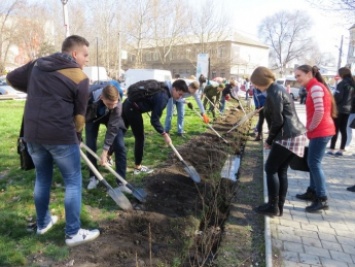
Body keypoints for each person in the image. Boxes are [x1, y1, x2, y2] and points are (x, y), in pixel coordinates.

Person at [6, 35, 100, 246]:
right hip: (61, 137)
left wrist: (38, 89)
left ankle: (43, 224)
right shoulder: (80, 77)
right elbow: (79, 118)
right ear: (74, 53)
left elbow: (11, 78)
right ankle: (73, 233)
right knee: (73, 182)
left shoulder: (38, 64)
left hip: (32, 135)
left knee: (42, 178)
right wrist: (77, 138)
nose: (86, 60)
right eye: (85, 55)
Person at [250, 66, 307, 217]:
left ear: (260, 81)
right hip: (295, 134)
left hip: (287, 135)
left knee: (270, 168)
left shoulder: (274, 92)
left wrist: (269, 140)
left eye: (255, 83)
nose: (254, 86)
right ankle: (278, 207)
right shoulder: (277, 89)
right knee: (281, 170)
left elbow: (278, 121)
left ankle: (272, 206)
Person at [122, 79, 189, 174]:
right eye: (180, 94)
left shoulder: (162, 88)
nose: (180, 97)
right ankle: (138, 167)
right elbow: (154, 120)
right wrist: (165, 134)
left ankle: (107, 155)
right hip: (133, 109)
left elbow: (150, 99)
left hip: (127, 103)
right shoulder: (164, 97)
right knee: (140, 138)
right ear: (174, 89)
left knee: (121, 131)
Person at [294, 65, 336, 212]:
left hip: (321, 131)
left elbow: (319, 111)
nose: (297, 79)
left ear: (309, 74)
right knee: (312, 162)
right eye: (296, 76)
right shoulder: (313, 88)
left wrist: (310, 128)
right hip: (319, 131)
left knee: (314, 163)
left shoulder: (316, 88)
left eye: (299, 75)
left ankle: (322, 198)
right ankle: (312, 191)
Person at [85, 84, 127, 191]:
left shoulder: (116, 104)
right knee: (90, 146)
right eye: (109, 104)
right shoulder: (88, 96)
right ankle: (94, 177)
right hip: (92, 116)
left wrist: (104, 152)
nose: (113, 106)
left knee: (120, 146)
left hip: (111, 116)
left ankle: (121, 181)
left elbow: (113, 127)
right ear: (102, 98)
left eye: (114, 103)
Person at [327, 67, 354, 156]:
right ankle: (341, 149)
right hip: (348, 109)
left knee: (335, 129)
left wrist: (332, 102)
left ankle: (332, 148)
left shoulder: (342, 83)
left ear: (342, 73)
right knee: (344, 129)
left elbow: (338, 97)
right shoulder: (352, 83)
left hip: (339, 109)